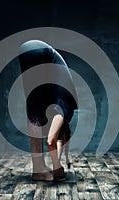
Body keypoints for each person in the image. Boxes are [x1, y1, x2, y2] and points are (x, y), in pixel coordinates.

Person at [18, 40, 77, 181]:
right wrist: (58, 168)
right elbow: (51, 141)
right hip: (43, 53)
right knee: (35, 111)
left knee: (34, 111)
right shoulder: (63, 109)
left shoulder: (57, 101)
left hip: (29, 49)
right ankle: (39, 170)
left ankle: (38, 169)